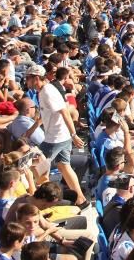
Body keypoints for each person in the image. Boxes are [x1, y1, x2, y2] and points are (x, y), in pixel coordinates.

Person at [24, 65, 87, 208]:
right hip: (60, 136)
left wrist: (74, 134)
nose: (26, 82)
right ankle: (81, 200)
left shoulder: (47, 92)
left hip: (56, 138)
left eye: (28, 79)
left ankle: (45, 202)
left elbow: (65, 112)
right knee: (64, 166)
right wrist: (32, 130)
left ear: (35, 78)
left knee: (36, 167)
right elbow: (45, 114)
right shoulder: (43, 91)